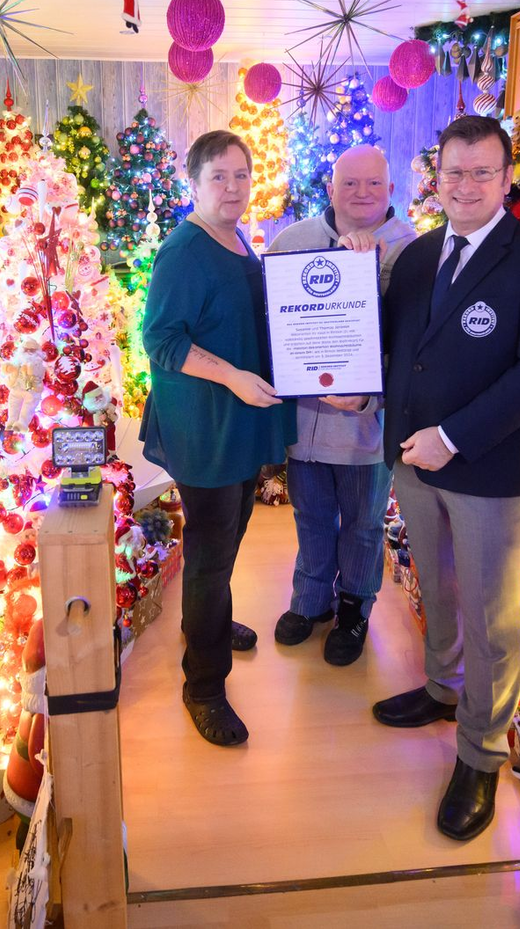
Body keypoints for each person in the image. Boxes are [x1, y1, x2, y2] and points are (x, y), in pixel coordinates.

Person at [376, 114, 520, 842]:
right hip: (414, 459)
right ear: (437, 175)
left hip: (489, 466)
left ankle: (480, 751)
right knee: (441, 584)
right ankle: (440, 686)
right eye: (453, 172)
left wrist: (452, 436)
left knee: (492, 620)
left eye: (480, 172)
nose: (464, 185)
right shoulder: (421, 255)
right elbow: (400, 350)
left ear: (506, 177)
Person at [141, 130, 295, 747]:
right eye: (218, 178)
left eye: (241, 175)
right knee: (209, 552)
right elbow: (163, 341)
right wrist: (233, 377)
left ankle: (204, 621)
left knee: (228, 537)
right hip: (203, 424)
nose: (233, 188)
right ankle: (203, 685)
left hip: (239, 419)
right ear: (194, 183)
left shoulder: (235, 239)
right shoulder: (184, 250)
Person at [266, 145, 414, 664]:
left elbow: (415, 348)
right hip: (304, 422)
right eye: (349, 183)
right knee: (310, 516)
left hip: (366, 428)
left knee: (363, 524)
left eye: (374, 183)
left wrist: (373, 396)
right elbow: (274, 324)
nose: (362, 193)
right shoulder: (293, 241)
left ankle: (354, 609)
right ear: (330, 187)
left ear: (391, 189)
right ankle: (310, 602)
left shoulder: (411, 250)